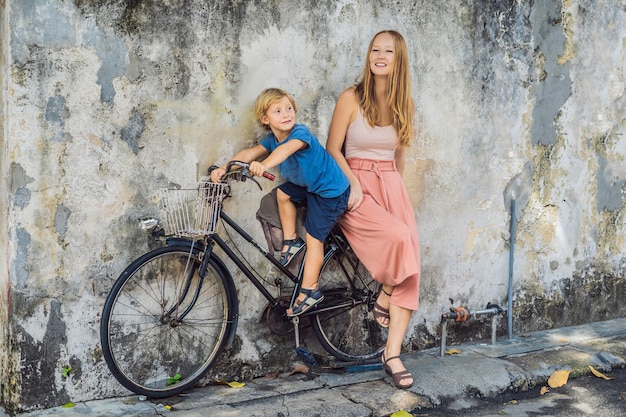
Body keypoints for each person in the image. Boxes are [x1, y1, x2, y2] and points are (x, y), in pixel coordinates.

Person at [326, 30, 420, 389]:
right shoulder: (351, 98)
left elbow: (398, 158)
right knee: (399, 239)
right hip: (355, 184)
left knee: (411, 262)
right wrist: (353, 183)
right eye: (375, 49)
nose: (380, 55)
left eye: (389, 51)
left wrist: (399, 196)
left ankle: (392, 354)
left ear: (399, 60)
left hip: (390, 183)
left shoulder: (405, 105)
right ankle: (384, 291)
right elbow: (333, 148)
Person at [211, 88, 350, 316]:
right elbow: (249, 153)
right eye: (277, 111)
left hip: (330, 191)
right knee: (282, 194)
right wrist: (225, 167)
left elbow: (286, 150)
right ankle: (291, 241)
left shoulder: (300, 134)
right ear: (265, 119)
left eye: (288, 108)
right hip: (309, 186)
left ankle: (310, 290)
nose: (286, 114)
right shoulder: (271, 140)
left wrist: (265, 165)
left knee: (315, 239)